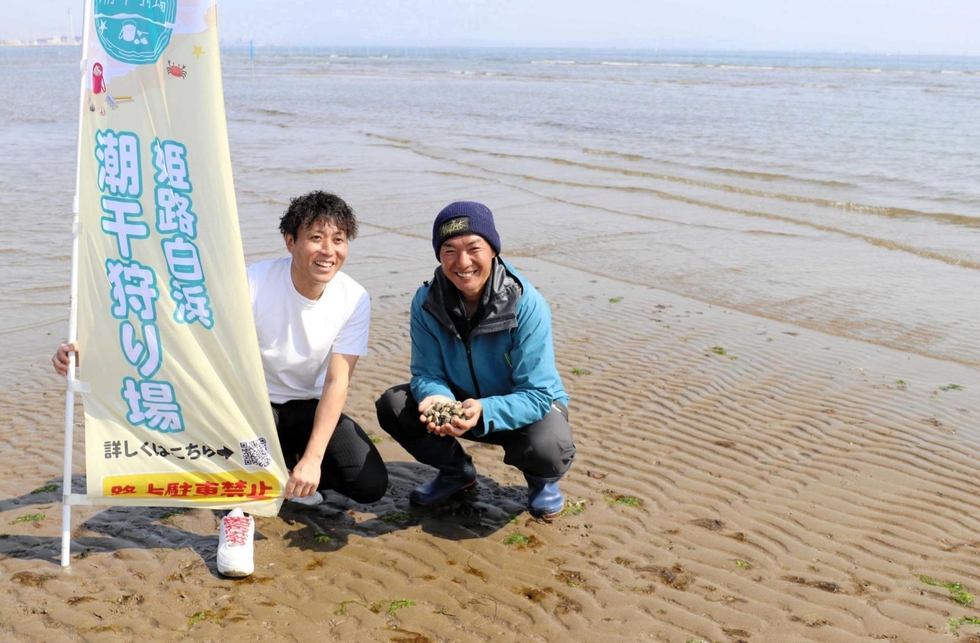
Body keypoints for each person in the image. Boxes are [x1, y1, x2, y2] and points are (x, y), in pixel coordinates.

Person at [54, 190, 388, 577]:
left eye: (338, 239)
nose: (328, 250)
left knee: (370, 485)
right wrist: (88, 348)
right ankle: (238, 511)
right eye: (315, 237)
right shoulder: (253, 282)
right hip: (248, 410)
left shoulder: (354, 298)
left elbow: (336, 382)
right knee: (247, 460)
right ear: (290, 241)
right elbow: (178, 327)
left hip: (308, 407)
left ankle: (286, 473)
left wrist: (313, 459)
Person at [375, 201, 575, 519]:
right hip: (459, 406)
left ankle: (542, 482)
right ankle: (456, 473)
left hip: (527, 409)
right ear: (439, 256)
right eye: (449, 250)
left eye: (473, 248)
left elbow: (537, 395)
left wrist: (484, 409)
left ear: (493, 250)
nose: (462, 262)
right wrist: (435, 396)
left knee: (548, 447)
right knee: (394, 405)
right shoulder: (426, 301)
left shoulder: (526, 303)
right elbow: (425, 371)